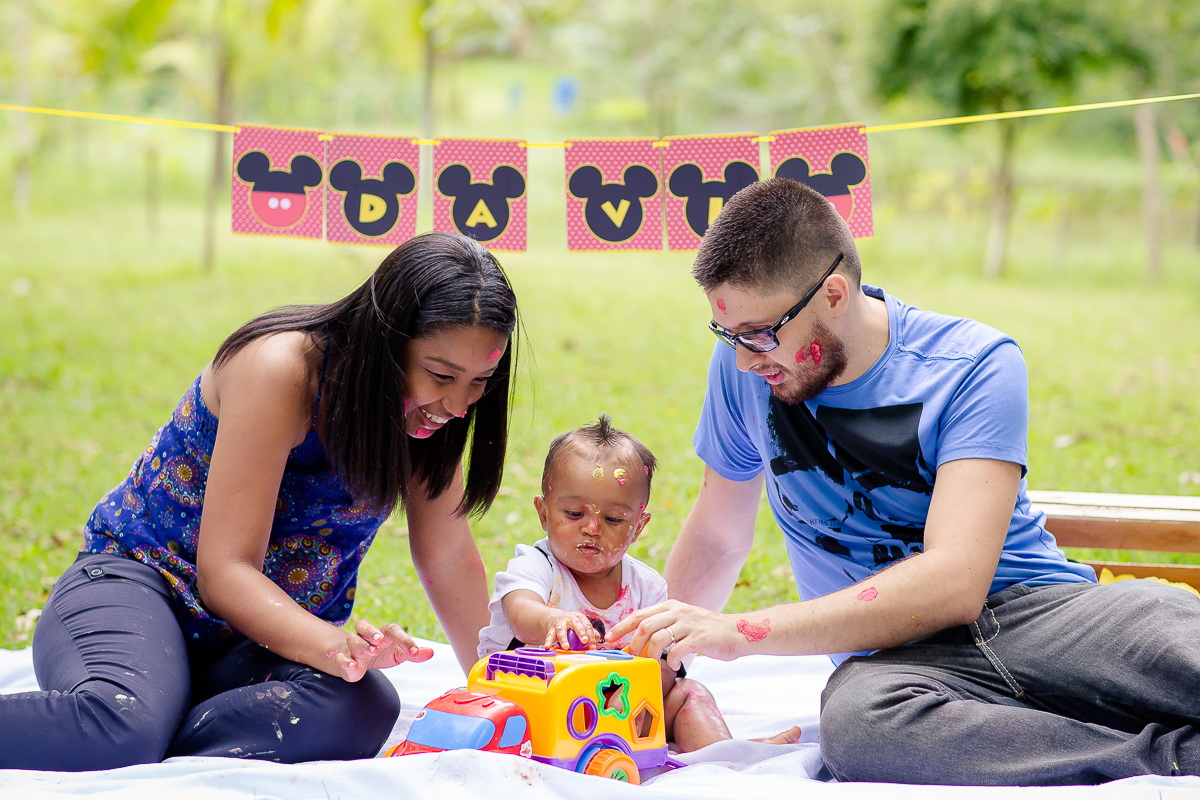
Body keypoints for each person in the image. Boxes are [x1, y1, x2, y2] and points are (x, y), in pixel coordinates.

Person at [608, 178, 1200, 785]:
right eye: (728, 336)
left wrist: (742, 633)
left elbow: (954, 583)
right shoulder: (748, 372)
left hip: (1039, 616)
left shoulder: (974, 363)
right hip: (897, 667)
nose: (743, 358)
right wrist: (653, 657)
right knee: (857, 725)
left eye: (760, 334)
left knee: (1169, 629)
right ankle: (1169, 760)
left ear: (833, 293)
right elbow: (718, 532)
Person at [5, 231, 520, 771]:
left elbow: (448, 557)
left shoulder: (423, 415)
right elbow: (225, 570)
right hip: (141, 588)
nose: (460, 405)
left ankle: (158, 724)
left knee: (362, 705)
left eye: (481, 379)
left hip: (245, 647)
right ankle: (140, 724)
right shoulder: (282, 370)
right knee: (120, 723)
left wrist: (507, 689)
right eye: (442, 375)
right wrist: (332, 643)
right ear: (385, 340)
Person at [477, 414, 801, 752]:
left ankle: (725, 755)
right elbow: (519, 610)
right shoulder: (537, 565)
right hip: (530, 700)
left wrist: (647, 665)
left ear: (639, 527)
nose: (592, 528)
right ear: (544, 513)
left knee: (690, 694)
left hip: (612, 710)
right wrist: (553, 620)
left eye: (613, 519)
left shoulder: (647, 586)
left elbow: (661, 673)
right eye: (574, 513)